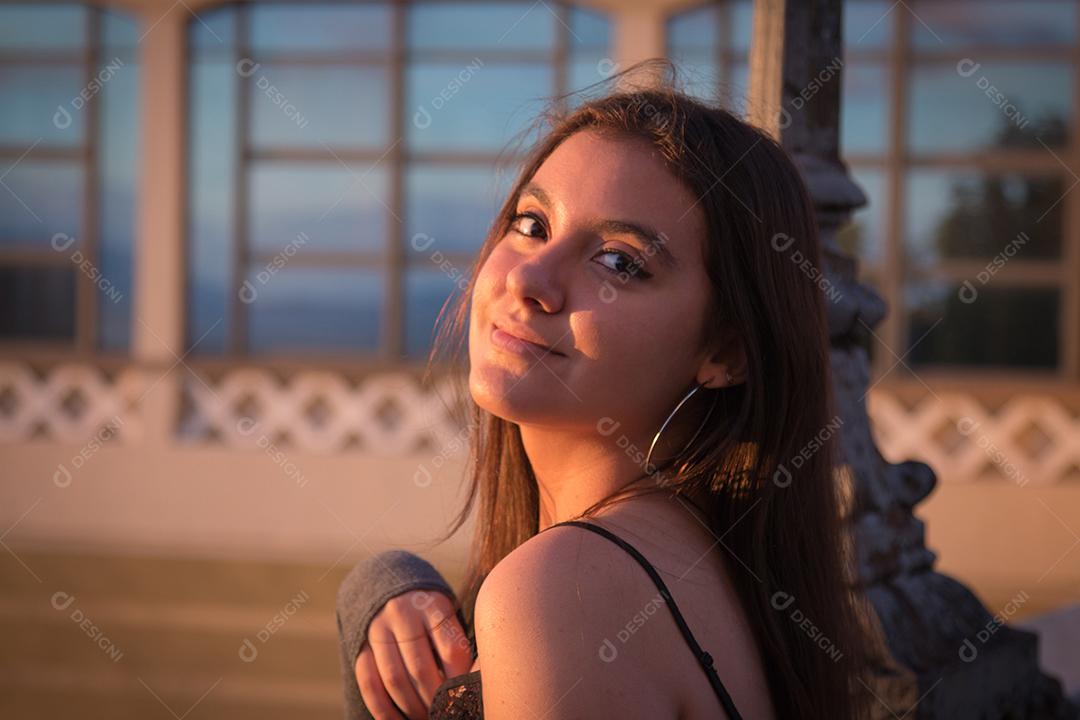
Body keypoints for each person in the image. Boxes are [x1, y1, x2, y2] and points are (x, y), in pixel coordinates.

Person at [337, 58, 876, 720]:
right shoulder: (701, 564)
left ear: (725, 353)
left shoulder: (565, 591)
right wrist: (382, 589)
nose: (528, 280)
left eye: (619, 261)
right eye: (531, 224)